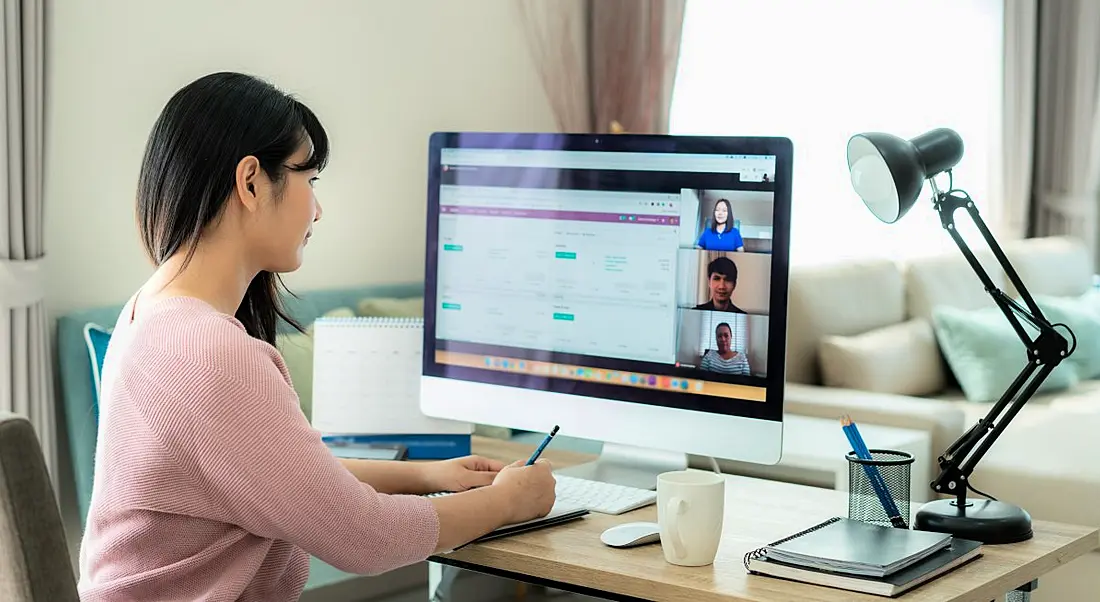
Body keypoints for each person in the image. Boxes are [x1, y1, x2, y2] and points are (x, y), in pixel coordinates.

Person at [77, 72, 556, 601]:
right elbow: (368, 539)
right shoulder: (211, 354)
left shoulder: (153, 311)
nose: (318, 209)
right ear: (252, 182)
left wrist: (425, 475)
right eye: (311, 180)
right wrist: (510, 501)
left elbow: (285, 475)